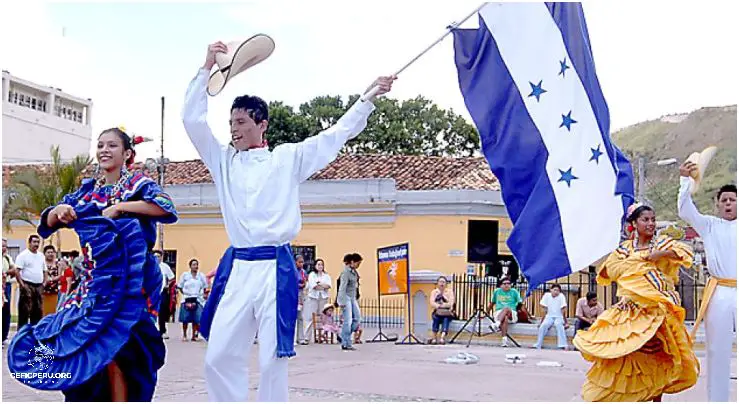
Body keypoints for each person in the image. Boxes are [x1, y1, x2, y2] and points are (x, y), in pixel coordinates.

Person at [184, 41, 394, 402]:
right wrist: (205, 69)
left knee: (271, 360)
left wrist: (368, 98)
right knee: (218, 354)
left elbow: (334, 136)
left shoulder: (287, 159)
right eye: (230, 122)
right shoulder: (222, 161)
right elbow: (192, 121)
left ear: (261, 124)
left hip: (274, 268)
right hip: (238, 267)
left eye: (240, 121)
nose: (233, 128)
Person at [7, 127, 178, 401]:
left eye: (112, 145)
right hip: (93, 285)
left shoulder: (139, 186)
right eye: (100, 145)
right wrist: (58, 212)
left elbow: (165, 208)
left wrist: (123, 207)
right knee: (84, 349)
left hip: (132, 284)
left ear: (127, 153)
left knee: (124, 351)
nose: (104, 151)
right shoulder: (87, 193)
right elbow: (49, 222)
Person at [573, 204, 699, 402]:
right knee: (629, 355)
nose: (650, 224)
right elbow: (612, 269)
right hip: (630, 312)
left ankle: (655, 397)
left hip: (656, 312)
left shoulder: (661, 244)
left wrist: (659, 255)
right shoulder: (625, 249)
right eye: (645, 220)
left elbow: (684, 253)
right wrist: (641, 260)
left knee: (658, 357)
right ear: (634, 224)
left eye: (652, 219)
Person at [678, 162, 736, 402]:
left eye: (733, 200)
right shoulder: (710, 225)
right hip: (720, 291)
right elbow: (685, 211)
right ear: (717, 204)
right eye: (724, 201)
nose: (728, 204)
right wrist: (685, 181)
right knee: (717, 351)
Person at [14, 234, 46, 328]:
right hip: (27, 285)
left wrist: (44, 283)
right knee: (25, 311)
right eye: (34, 242)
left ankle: (35, 333)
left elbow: (45, 271)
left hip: (39, 286)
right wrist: (22, 285)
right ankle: (21, 334)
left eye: (38, 242)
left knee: (37, 311)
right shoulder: (23, 255)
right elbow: (17, 271)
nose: (36, 244)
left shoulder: (41, 256)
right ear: (29, 243)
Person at [337, 253, 363, 351]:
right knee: (348, 321)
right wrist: (341, 301)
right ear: (352, 262)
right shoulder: (345, 273)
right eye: (358, 263)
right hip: (346, 297)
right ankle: (346, 342)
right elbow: (342, 287)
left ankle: (343, 335)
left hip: (352, 297)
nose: (358, 265)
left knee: (357, 319)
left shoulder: (354, 272)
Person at [177, 258, 208, 341]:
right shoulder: (185, 275)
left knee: (196, 318)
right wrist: (185, 293)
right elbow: (180, 286)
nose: (196, 266)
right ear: (190, 266)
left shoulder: (201, 276)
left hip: (197, 298)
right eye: (194, 265)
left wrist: (203, 295)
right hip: (186, 298)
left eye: (197, 265)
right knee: (185, 318)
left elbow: (205, 287)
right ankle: (184, 335)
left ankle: (194, 335)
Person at [302, 258, 331, 344]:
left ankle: (323, 336)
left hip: (323, 298)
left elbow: (328, 285)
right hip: (313, 298)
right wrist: (322, 286)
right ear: (315, 266)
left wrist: (320, 284)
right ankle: (307, 337)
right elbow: (313, 286)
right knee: (310, 317)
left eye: (322, 264)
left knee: (323, 317)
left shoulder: (326, 275)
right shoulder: (312, 275)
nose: (320, 266)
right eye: (318, 264)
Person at [487, 277, 521, 347]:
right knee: (505, 318)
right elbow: (492, 303)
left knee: (506, 308)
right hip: (499, 313)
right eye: (504, 283)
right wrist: (486, 313)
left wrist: (528, 316)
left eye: (508, 283)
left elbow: (520, 303)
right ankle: (504, 340)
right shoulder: (497, 291)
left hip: (512, 313)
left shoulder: (514, 291)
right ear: (501, 285)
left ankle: (496, 324)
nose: (507, 285)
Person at [533, 283, 569, 350]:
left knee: (559, 325)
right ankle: (538, 344)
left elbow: (563, 310)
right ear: (551, 290)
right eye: (555, 290)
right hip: (549, 316)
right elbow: (544, 310)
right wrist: (541, 322)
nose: (556, 292)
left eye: (558, 290)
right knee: (543, 326)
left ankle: (563, 344)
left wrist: (566, 322)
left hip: (559, 316)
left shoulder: (561, 296)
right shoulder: (546, 296)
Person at [154, 250, 175, 339]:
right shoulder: (149, 266)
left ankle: (163, 331)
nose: (157, 258)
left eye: (159, 256)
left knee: (162, 312)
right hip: (152, 292)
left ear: (161, 257)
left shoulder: (165, 267)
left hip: (162, 292)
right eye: (155, 256)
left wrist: (167, 285)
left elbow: (172, 278)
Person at [429, 276, 455, 344]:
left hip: (447, 312)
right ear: (437, 283)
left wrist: (442, 305)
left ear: (446, 283)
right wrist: (439, 306)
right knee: (436, 318)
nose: (442, 284)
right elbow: (432, 303)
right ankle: (434, 337)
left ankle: (442, 338)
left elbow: (450, 303)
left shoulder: (449, 292)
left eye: (443, 282)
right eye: (440, 282)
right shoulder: (434, 292)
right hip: (437, 312)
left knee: (446, 319)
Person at [2, 238, 18, 346]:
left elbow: (14, 270)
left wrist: (5, 272)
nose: (4, 248)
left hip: (6, 285)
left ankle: (4, 336)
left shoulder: (7, 258)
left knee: (6, 311)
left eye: (5, 246)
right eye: (2, 246)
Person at [295, 254, 307, 345]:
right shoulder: (292, 271)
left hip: (301, 294)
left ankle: (301, 337)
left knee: (300, 317)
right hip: (293, 294)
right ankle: (293, 337)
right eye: (299, 262)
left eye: (302, 262)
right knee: (293, 317)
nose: (301, 264)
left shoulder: (303, 272)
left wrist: (303, 285)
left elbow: (305, 281)